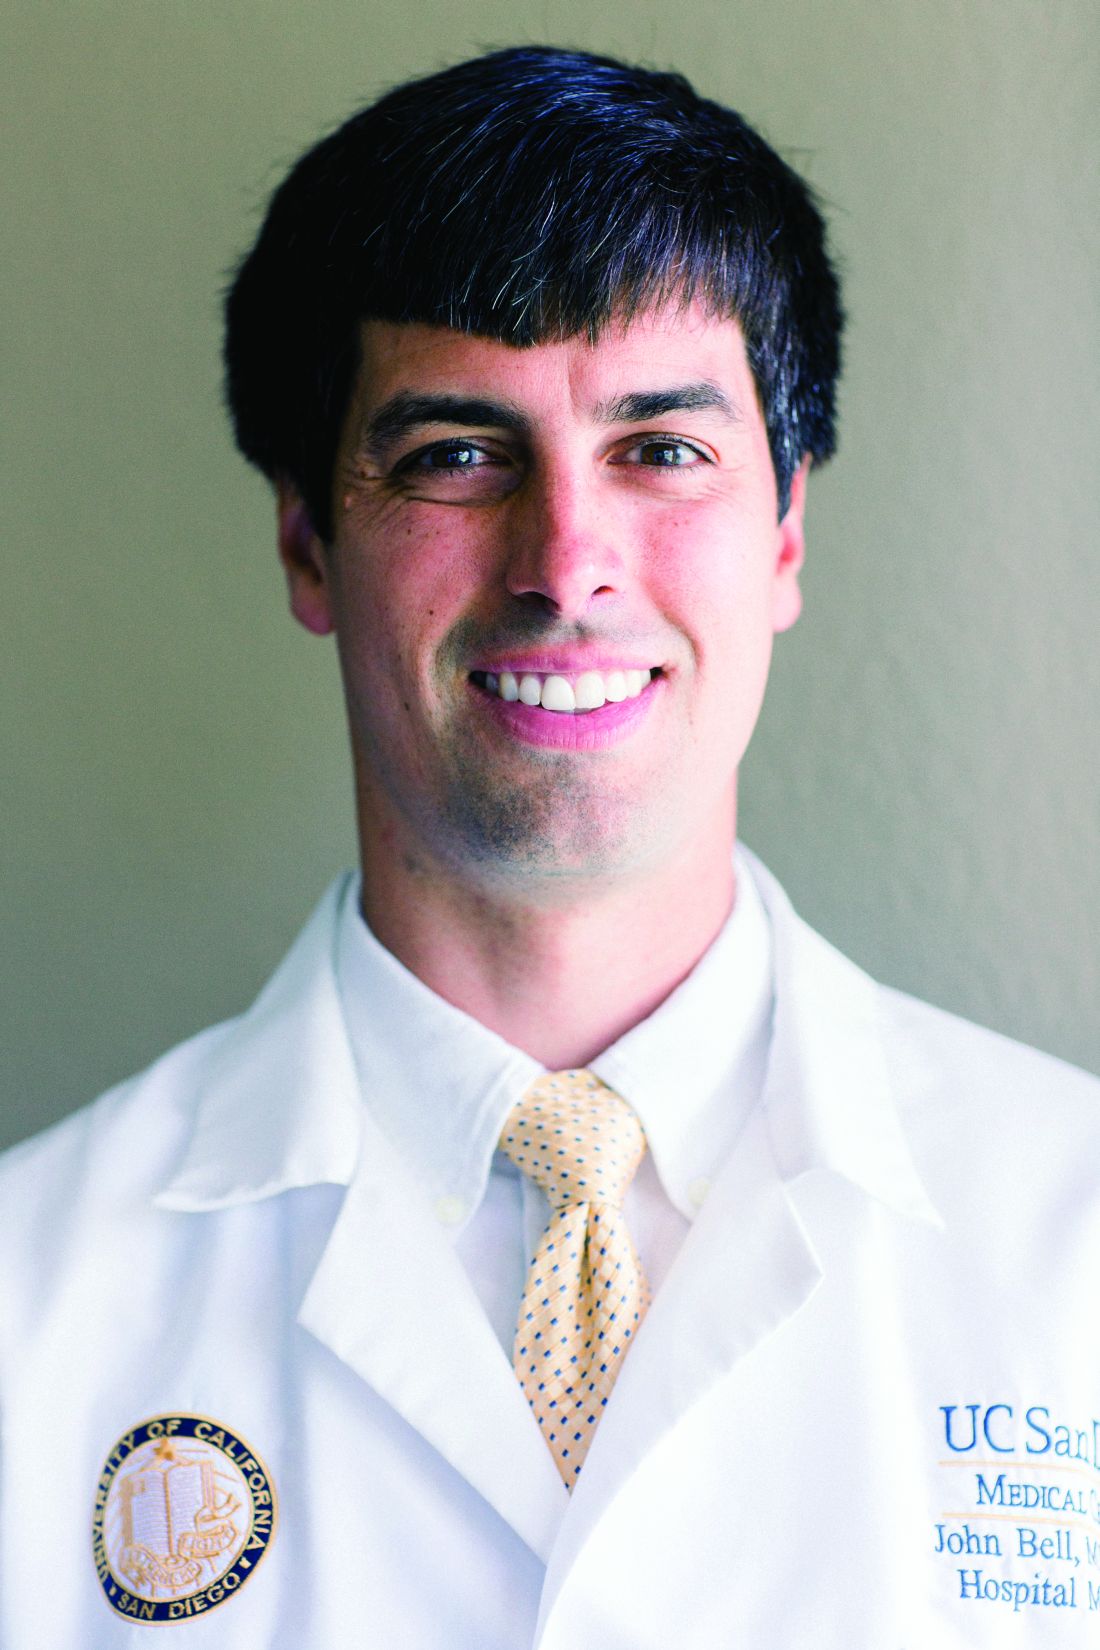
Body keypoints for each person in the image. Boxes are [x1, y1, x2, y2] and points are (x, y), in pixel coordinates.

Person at [1, 44, 1097, 1649]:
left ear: (786, 527)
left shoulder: (1077, 1240)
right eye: (456, 452)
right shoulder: (26, 1305)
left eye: (662, 448)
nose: (567, 560)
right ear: (308, 537)